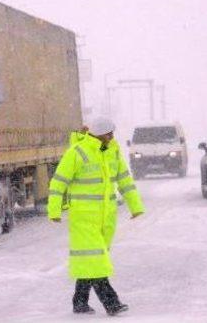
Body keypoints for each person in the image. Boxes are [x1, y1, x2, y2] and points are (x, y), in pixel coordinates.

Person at [47, 117, 145, 316]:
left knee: (90, 260)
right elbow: (58, 183)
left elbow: (125, 180)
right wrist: (54, 211)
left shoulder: (113, 152)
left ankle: (79, 302)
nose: (112, 137)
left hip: (106, 218)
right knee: (96, 261)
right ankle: (112, 303)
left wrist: (136, 206)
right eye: (109, 133)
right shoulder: (77, 152)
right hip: (83, 218)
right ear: (98, 133)